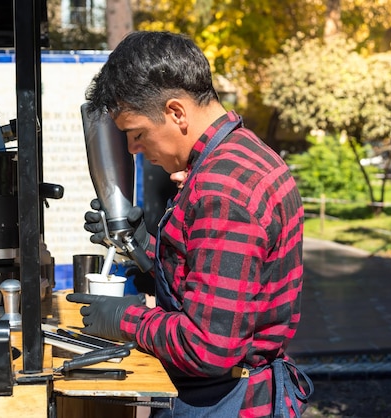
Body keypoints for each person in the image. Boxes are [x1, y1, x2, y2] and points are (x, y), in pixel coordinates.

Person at [67, 31, 313, 417]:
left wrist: (124, 319)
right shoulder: (239, 155)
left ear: (176, 112)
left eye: (137, 134)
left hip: (229, 400)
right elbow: (213, 280)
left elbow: (209, 346)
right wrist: (143, 248)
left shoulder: (223, 188)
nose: (134, 149)